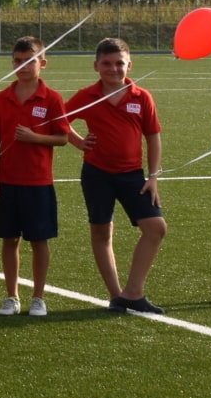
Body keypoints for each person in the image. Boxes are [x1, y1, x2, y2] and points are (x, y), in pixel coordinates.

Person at [64, 38, 167, 314]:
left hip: (133, 175)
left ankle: (133, 292)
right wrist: (78, 141)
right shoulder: (86, 95)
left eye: (119, 63)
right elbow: (59, 118)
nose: (113, 69)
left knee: (156, 228)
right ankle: (116, 295)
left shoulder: (141, 96)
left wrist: (153, 176)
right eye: (107, 64)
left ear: (129, 65)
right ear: (96, 66)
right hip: (96, 174)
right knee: (101, 231)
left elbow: (153, 137)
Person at [0, 36, 67, 317]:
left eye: (29, 61)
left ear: (42, 63)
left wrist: (35, 138)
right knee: (9, 239)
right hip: (7, 181)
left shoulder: (52, 98)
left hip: (38, 182)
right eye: (17, 61)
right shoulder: (2, 97)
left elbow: (63, 138)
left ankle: (38, 297)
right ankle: (12, 296)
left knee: (38, 241)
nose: (23, 66)